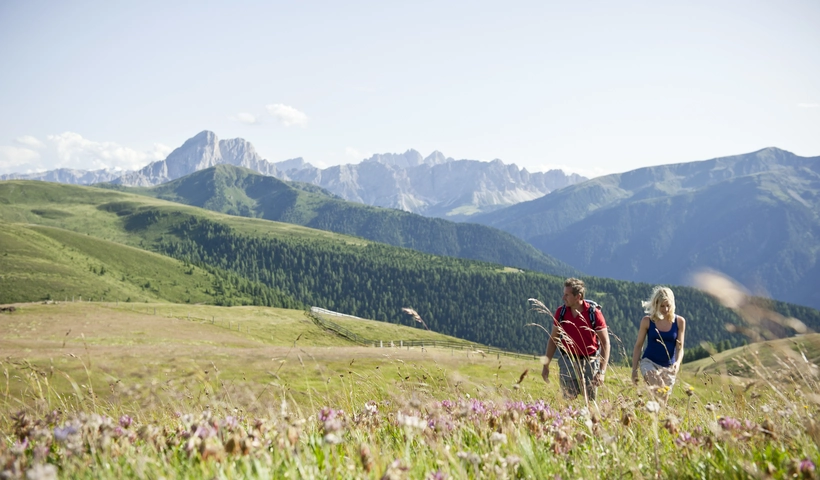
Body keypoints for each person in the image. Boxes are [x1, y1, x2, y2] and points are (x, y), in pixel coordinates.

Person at [541, 278, 610, 401]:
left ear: (578, 297)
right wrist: (546, 365)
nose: (563, 297)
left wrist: (601, 372)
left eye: (567, 295)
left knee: (590, 402)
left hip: (590, 361)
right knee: (568, 401)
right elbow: (553, 340)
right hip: (567, 360)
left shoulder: (594, 314)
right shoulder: (561, 312)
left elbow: (605, 343)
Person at [631, 286, 687, 402]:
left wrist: (677, 363)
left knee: (662, 400)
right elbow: (638, 346)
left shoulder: (679, 322)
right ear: (656, 305)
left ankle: (649, 416)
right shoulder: (647, 321)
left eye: (668, 305)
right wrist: (634, 370)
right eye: (662, 306)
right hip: (649, 362)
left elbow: (680, 347)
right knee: (659, 388)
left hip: (669, 367)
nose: (665, 309)